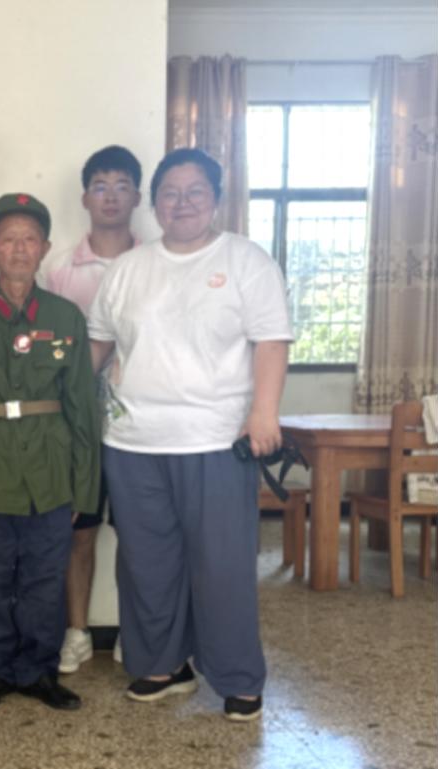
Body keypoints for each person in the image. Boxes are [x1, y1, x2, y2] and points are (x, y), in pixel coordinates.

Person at [87, 148, 292, 722]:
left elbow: (271, 341)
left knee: (222, 565)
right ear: (154, 204)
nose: (182, 203)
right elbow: (98, 346)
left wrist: (265, 413)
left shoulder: (247, 261)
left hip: (216, 439)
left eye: (195, 191)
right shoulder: (128, 269)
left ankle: (237, 676)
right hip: (132, 442)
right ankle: (162, 665)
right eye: (170, 193)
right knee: (146, 562)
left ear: (216, 199)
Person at [0, 193, 101, 711]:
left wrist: (84, 489)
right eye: (8, 239)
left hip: (49, 474)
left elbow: (82, 408)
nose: (20, 248)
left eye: (30, 239)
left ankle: (38, 672)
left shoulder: (65, 318)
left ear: (45, 248)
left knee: (44, 579)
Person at [39, 145, 142, 674]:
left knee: (139, 533)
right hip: (72, 425)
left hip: (140, 425)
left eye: (122, 186)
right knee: (77, 529)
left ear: (138, 197)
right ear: (84, 197)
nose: (111, 196)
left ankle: (136, 631)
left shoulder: (155, 262)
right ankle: (76, 632)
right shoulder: (58, 269)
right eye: (100, 186)